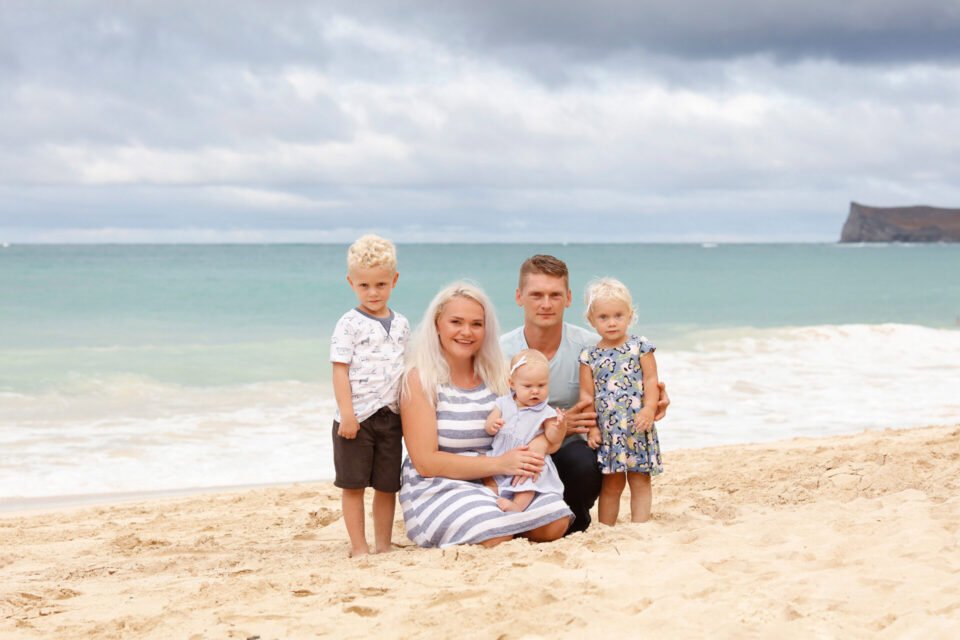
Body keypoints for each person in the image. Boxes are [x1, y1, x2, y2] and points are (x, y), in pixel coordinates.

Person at [500, 255, 669, 533]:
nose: (546, 304)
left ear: (568, 298)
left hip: (571, 451)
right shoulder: (500, 352)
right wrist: (553, 430)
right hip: (520, 449)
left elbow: (638, 381)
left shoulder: (594, 348)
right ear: (519, 297)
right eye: (536, 295)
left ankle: (573, 520)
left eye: (554, 295)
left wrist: (655, 403)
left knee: (587, 463)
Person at [398, 282, 574, 547]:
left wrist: (540, 443)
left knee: (555, 522)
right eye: (456, 322)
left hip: (499, 479)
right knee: (495, 532)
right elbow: (425, 462)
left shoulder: (499, 375)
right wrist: (500, 464)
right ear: (437, 324)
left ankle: (503, 520)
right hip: (440, 482)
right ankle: (499, 524)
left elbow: (534, 423)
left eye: (477, 324)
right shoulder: (420, 379)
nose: (466, 332)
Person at [330, 235, 410, 556]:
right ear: (351, 283)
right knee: (353, 486)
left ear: (394, 280)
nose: (373, 293)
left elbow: (408, 369)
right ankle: (359, 547)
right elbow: (339, 370)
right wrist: (347, 414)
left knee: (387, 486)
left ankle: (384, 545)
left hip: (391, 418)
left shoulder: (402, 324)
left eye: (380, 284)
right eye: (364, 286)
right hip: (356, 419)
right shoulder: (349, 324)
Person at [579, 278, 663, 524]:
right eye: (603, 317)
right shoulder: (589, 356)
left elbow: (651, 381)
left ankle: (640, 526)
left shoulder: (640, 347)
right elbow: (587, 396)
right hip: (609, 432)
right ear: (591, 321)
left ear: (630, 315)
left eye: (618, 315)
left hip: (638, 425)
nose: (612, 322)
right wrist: (592, 427)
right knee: (612, 484)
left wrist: (649, 408)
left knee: (639, 480)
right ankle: (607, 528)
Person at [483, 349, 566, 512]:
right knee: (486, 473)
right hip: (501, 454)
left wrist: (559, 427)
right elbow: (489, 425)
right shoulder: (503, 403)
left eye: (541, 385)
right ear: (512, 384)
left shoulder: (546, 412)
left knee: (528, 481)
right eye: (528, 386)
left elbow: (552, 438)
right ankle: (494, 497)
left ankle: (517, 506)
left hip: (528, 460)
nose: (535, 391)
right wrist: (492, 425)